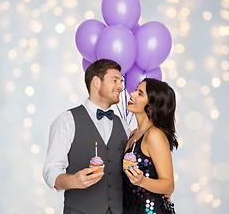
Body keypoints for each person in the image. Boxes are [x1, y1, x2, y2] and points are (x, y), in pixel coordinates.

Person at [43, 59, 131, 214]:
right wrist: (74, 180)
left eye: (121, 81)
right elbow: (51, 170)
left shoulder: (123, 125)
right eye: (115, 80)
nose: (121, 86)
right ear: (96, 82)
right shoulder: (66, 121)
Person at [123, 78, 178, 214]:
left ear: (152, 107)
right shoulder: (133, 134)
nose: (132, 94)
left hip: (150, 210)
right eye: (136, 90)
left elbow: (168, 185)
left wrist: (141, 181)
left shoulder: (154, 135)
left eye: (140, 93)